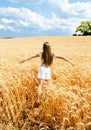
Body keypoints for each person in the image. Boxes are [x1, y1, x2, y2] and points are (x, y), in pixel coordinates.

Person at [20, 42, 75, 108]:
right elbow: (62, 57)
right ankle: (51, 99)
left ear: (43, 48)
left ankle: (38, 100)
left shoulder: (41, 53)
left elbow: (32, 56)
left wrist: (24, 60)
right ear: (50, 48)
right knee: (50, 84)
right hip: (47, 70)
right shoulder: (53, 54)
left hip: (42, 69)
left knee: (40, 85)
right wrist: (70, 62)